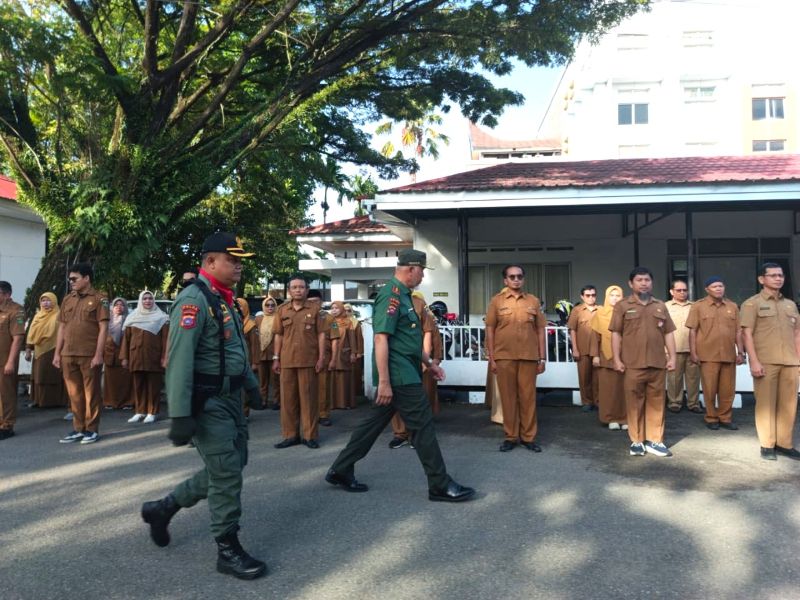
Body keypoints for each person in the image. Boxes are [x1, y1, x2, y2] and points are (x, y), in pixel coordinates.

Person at [140, 232, 266, 580]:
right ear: (210, 262)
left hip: (231, 399)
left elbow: (235, 350)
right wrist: (180, 414)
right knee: (226, 472)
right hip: (208, 402)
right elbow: (179, 360)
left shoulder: (224, 299)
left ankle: (163, 508)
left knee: (232, 464)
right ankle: (227, 549)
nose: (239, 266)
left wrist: (251, 386)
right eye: (232, 260)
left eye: (240, 261)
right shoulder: (193, 300)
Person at [326, 249, 475, 503]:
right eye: (422, 271)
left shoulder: (405, 296)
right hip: (399, 374)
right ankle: (439, 484)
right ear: (411, 269)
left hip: (405, 370)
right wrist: (384, 382)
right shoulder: (391, 296)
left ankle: (340, 469)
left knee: (372, 424)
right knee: (423, 426)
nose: (422, 276)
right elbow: (381, 339)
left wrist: (430, 363)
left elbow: (409, 340)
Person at [610, 267, 676, 458]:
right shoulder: (622, 306)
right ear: (631, 284)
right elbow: (616, 334)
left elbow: (668, 333)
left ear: (651, 283)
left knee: (657, 403)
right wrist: (617, 359)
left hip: (657, 362)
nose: (644, 283)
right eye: (639, 280)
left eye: (647, 280)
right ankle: (637, 441)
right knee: (634, 403)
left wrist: (672, 357)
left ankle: (655, 440)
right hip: (632, 363)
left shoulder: (660, 306)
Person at [740, 263, 800, 461]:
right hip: (766, 362)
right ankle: (767, 445)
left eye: (780, 275)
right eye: (773, 275)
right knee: (765, 405)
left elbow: (797, 334)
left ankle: (784, 443)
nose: (778, 278)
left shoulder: (790, 305)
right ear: (761, 279)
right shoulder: (752, 304)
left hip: (790, 362)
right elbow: (747, 334)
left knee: (789, 405)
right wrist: (754, 362)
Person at [485, 265, 546, 453]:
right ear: (506, 280)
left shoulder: (533, 301)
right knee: (508, 398)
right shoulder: (497, 301)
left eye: (519, 276)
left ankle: (528, 437)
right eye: (512, 277)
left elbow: (540, 330)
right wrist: (492, 358)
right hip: (504, 357)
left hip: (529, 356)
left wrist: (542, 357)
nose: (516, 279)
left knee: (528, 398)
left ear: (523, 279)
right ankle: (511, 436)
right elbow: (490, 329)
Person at [54, 263, 109, 445]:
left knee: (91, 394)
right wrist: (57, 353)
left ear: (86, 278)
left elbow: (103, 328)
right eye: (70, 279)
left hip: (89, 354)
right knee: (74, 394)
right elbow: (62, 327)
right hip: (68, 354)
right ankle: (79, 428)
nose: (71, 282)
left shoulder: (100, 298)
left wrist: (99, 354)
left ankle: (91, 429)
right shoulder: (67, 299)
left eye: (74, 278)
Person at [272, 275, 326, 449]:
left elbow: (321, 334)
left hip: (309, 360)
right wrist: (276, 358)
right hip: (287, 361)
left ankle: (310, 436)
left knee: (309, 400)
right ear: (289, 290)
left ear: (307, 290)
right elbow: (278, 335)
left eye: (301, 287)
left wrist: (321, 357)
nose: (298, 290)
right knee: (288, 401)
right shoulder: (282, 310)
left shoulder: (315, 309)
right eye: (294, 287)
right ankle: (290, 435)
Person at [686, 276, 744, 431]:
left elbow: (738, 331)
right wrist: (693, 353)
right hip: (707, 355)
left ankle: (725, 418)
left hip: (728, 354)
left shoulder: (732, 306)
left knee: (728, 390)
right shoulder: (698, 306)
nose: (718, 289)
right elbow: (692, 331)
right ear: (707, 289)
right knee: (710, 389)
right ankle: (711, 417)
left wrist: (741, 352)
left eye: (721, 286)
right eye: (714, 286)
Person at [388, 291, 442, 449]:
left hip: (420, 361)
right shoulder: (392, 304)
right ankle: (400, 434)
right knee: (398, 399)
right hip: (398, 360)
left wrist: (431, 361)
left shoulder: (422, 309)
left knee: (419, 400)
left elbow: (432, 337)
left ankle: (416, 434)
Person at [121, 291, 169, 423]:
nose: (147, 301)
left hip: (153, 357)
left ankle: (152, 412)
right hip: (136, 356)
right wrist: (124, 357)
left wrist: (164, 357)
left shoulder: (162, 318)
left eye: (150, 299)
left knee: (153, 386)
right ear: (140, 301)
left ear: (153, 301)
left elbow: (166, 340)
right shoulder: (132, 318)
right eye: (145, 299)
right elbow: (126, 340)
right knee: (138, 385)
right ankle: (140, 411)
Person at [590, 285, 628, 431]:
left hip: (625, 356)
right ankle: (610, 418)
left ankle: (625, 418)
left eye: (618, 295)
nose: (615, 298)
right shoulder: (599, 314)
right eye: (611, 295)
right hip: (605, 357)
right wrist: (595, 356)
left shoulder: (627, 313)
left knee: (624, 389)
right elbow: (595, 337)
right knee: (608, 389)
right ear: (606, 297)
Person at [25, 292, 68, 410]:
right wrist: (28, 349)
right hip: (39, 351)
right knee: (38, 376)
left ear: (54, 301)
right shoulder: (38, 316)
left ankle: (53, 401)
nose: (45, 303)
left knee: (51, 376)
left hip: (54, 350)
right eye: (43, 301)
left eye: (48, 300)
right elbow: (31, 334)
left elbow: (63, 333)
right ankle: (37, 400)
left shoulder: (59, 315)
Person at [665, 280, 701, 414]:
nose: (682, 292)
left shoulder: (695, 306)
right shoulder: (665, 307)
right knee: (674, 379)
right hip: (673, 350)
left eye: (685, 290)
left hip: (693, 350)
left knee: (694, 379)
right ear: (671, 291)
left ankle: (693, 403)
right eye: (679, 290)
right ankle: (674, 403)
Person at [568, 285, 599, 413]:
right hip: (582, 349)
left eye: (593, 295)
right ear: (582, 296)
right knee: (584, 377)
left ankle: (598, 402)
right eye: (588, 295)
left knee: (597, 378)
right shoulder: (577, 310)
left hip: (598, 351)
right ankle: (587, 402)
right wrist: (575, 349)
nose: (591, 298)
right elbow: (573, 330)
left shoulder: (601, 310)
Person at [0, 281, 25, 440]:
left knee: (6, 394)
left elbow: (17, 338)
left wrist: (10, 362)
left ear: (7, 294)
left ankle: (7, 425)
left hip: (5, 361)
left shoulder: (16, 311)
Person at [103, 298, 132, 410]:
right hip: (110, 355)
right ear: (112, 307)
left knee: (125, 381)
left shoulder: (130, 320)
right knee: (110, 381)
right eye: (116, 305)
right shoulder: (107, 321)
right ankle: (109, 401)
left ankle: (127, 402)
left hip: (124, 355)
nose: (119, 307)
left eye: (122, 305)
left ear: (125, 307)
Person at [329, 301, 356, 410]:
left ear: (342, 309)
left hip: (344, 353)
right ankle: (332, 404)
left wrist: (353, 353)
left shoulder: (348, 322)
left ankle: (344, 403)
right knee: (332, 378)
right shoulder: (329, 322)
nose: (334, 310)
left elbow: (352, 339)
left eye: (336, 308)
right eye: (332, 308)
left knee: (344, 378)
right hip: (331, 354)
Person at [317, 302, 340, 427]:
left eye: (316, 301)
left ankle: (323, 414)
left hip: (324, 357)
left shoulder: (329, 318)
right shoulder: (302, 316)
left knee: (323, 387)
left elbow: (335, 340)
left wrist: (333, 359)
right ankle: (309, 414)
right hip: (306, 358)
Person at [236, 297, 259, 418]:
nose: (238, 308)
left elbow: (255, 345)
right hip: (235, 360)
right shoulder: (232, 321)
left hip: (247, 360)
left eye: (241, 306)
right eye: (236, 306)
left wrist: (255, 362)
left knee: (245, 388)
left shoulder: (251, 325)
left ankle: (244, 412)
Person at [256, 297, 280, 409]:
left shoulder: (278, 318)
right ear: (263, 306)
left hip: (274, 354)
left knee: (275, 380)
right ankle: (263, 401)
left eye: (272, 305)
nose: (270, 307)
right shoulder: (258, 319)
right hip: (261, 354)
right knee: (262, 380)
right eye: (267, 305)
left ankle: (276, 401)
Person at [345, 304, 365, 400]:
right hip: (343, 354)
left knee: (355, 374)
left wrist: (359, 352)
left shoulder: (355, 322)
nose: (346, 312)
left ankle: (356, 395)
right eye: (344, 310)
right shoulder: (338, 322)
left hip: (355, 353)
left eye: (349, 310)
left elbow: (359, 339)